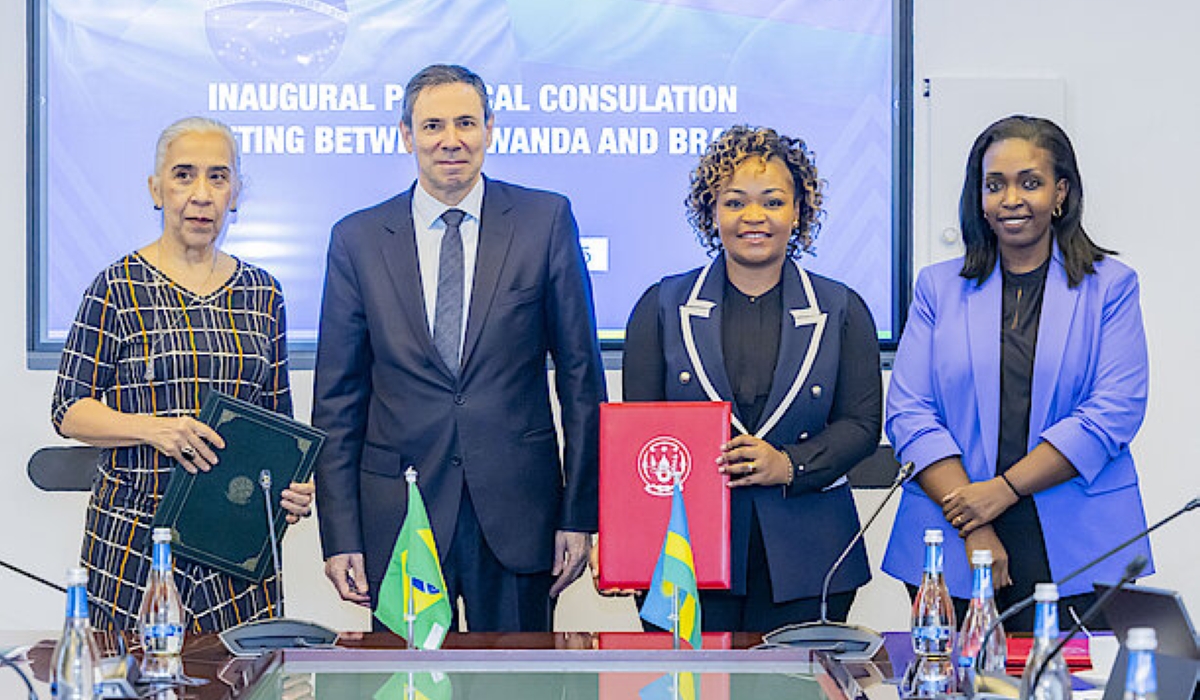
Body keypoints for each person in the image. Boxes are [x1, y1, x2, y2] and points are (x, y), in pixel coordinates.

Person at [312, 64, 606, 632]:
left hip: (521, 513)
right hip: (401, 515)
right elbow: (337, 401)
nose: (451, 140)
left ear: (489, 129)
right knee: (405, 678)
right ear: (407, 135)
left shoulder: (544, 221)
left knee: (519, 677)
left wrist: (579, 514)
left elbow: (581, 380)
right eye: (433, 126)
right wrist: (341, 533)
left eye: (466, 123)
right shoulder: (358, 238)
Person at [883, 115, 1152, 631]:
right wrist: (974, 522)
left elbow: (1112, 413)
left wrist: (1003, 490)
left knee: (1073, 674)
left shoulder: (1111, 287)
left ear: (1060, 193)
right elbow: (909, 414)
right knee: (954, 671)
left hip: (1079, 540)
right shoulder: (938, 288)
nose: (1011, 199)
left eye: (1030, 183)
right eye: (995, 185)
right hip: (952, 530)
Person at [51, 116, 314, 632]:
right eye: (183, 175)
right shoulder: (116, 287)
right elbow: (68, 410)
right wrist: (155, 429)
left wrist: (292, 487)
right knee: (128, 671)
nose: (201, 194)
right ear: (156, 190)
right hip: (134, 539)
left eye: (218, 177)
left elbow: (279, 426)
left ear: (235, 194)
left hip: (236, 542)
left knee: (242, 671)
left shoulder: (264, 292)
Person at [620, 125, 882, 631]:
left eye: (773, 201)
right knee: (688, 677)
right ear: (711, 211)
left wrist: (790, 464)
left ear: (798, 211)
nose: (754, 217)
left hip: (811, 556)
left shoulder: (841, 308)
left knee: (797, 678)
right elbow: (640, 438)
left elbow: (862, 424)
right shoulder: (661, 306)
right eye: (735, 202)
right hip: (685, 555)